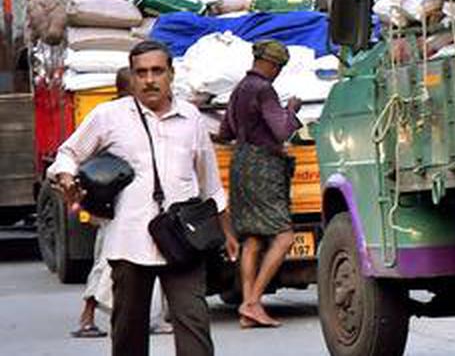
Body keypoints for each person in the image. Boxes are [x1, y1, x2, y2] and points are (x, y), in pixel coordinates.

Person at [49, 41, 238, 356]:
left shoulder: (191, 118)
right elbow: (69, 153)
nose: (150, 79)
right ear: (132, 77)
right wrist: (67, 178)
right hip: (129, 241)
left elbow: (211, 184)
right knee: (128, 333)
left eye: (157, 71)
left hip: (182, 241)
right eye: (141, 73)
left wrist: (227, 231)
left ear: (171, 75)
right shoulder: (109, 116)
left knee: (195, 326)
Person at [73, 67, 172, 339]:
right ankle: (87, 315)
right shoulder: (113, 118)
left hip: (135, 205)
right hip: (116, 207)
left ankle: (155, 316)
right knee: (107, 262)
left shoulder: (143, 115)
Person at [218, 40, 301, 329]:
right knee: (283, 236)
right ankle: (252, 302)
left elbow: (224, 131)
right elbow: (281, 132)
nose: (278, 73)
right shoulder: (264, 89)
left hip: (239, 164)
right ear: (272, 64)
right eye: (279, 67)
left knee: (252, 238)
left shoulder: (240, 88)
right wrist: (291, 110)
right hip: (264, 167)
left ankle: (247, 311)